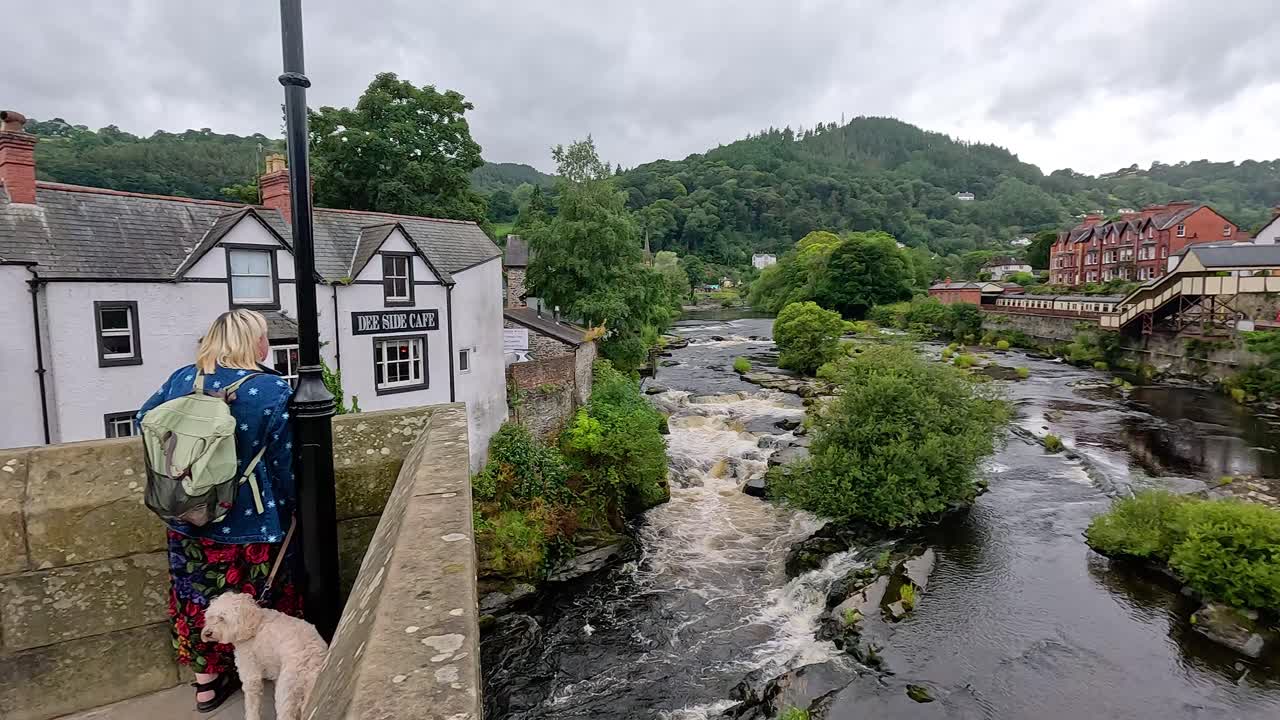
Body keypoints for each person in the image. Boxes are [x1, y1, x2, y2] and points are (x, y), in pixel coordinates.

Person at [137, 309, 304, 712]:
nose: (267, 344)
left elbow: (145, 420)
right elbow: (284, 462)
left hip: (188, 513)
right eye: (264, 336)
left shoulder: (183, 379)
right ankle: (270, 675)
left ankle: (206, 685)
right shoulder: (271, 389)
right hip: (250, 519)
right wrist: (295, 505)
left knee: (195, 597)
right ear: (253, 343)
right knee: (261, 605)